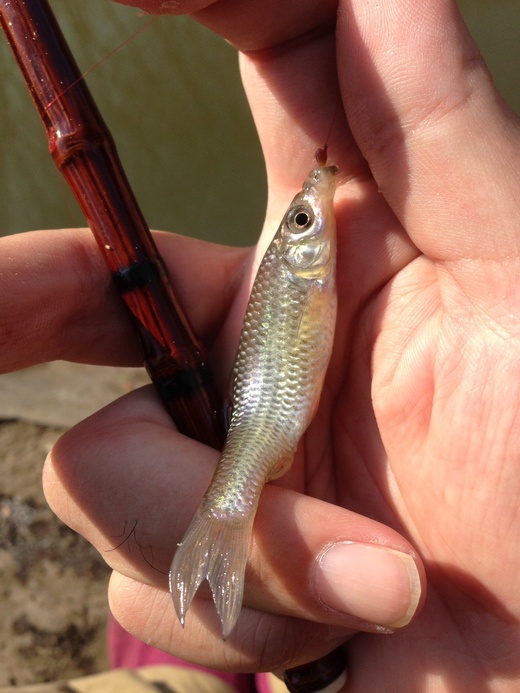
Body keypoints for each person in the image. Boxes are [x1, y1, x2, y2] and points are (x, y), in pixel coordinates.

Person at [3, 0, 520, 689]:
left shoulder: (328, 265)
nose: (316, 217)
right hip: (266, 438)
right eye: (304, 220)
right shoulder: (306, 276)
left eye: (302, 220)